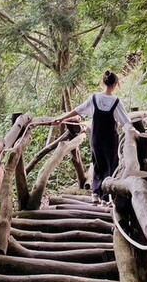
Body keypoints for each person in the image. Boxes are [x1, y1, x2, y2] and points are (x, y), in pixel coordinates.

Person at [51, 70, 132, 205]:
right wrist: (133, 132)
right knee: (111, 165)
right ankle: (106, 197)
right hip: (110, 140)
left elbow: (78, 109)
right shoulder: (116, 102)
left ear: (103, 82)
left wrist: (61, 118)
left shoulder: (94, 98)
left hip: (96, 138)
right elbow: (126, 122)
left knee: (97, 164)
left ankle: (95, 194)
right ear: (116, 84)